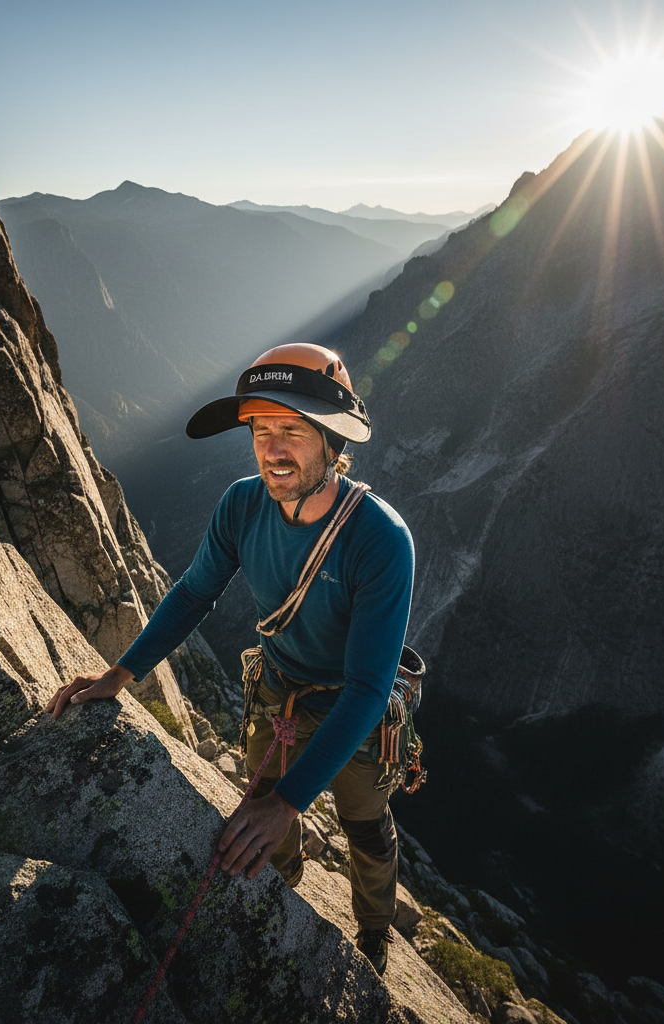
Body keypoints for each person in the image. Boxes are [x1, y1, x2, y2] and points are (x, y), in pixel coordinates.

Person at [46, 343, 414, 975]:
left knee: (363, 825)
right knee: (262, 803)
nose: (272, 450)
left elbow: (368, 686)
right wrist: (120, 675)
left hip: (356, 711)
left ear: (332, 441)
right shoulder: (242, 504)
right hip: (276, 690)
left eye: (292, 431)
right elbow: (193, 594)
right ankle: (278, 890)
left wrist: (289, 803)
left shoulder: (381, 539)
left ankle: (376, 930)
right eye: (261, 430)